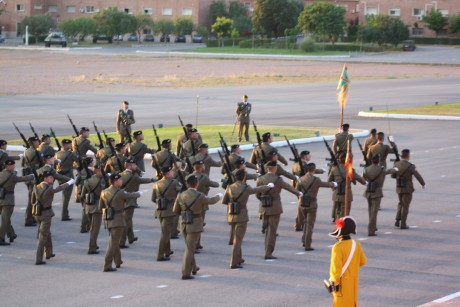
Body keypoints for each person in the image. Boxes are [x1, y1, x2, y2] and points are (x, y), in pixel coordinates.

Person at [172, 174, 222, 280]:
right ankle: (186, 273)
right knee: (190, 249)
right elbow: (211, 201)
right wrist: (219, 196)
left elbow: (175, 210)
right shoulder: (199, 195)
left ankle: (193, 268)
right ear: (197, 184)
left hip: (184, 223)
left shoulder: (181, 195)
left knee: (190, 247)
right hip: (195, 224)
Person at [222, 169, 273, 268]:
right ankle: (233, 262)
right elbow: (257, 190)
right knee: (238, 240)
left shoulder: (230, 187)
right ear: (244, 177)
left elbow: (224, 201)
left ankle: (239, 258)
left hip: (231, 215)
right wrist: (268, 187)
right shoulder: (246, 187)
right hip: (242, 215)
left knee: (237, 238)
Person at [256, 161, 301, 260]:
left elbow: (258, 194)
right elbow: (289, 187)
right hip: (275, 207)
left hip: (263, 207)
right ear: (275, 168)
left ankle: (267, 250)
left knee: (267, 230)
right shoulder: (278, 179)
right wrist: (299, 193)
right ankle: (268, 252)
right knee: (272, 231)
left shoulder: (260, 179)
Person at [99, 173, 142, 272]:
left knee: (114, 241)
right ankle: (107, 265)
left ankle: (118, 261)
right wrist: (139, 193)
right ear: (115, 181)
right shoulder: (120, 192)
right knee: (113, 243)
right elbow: (130, 195)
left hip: (108, 218)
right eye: (120, 180)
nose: (121, 181)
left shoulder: (104, 192)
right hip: (117, 220)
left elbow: (101, 207)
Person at [32, 171, 74, 265]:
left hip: (37, 213)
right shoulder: (49, 188)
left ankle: (49, 252)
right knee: (42, 236)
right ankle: (39, 259)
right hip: (46, 214)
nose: (52, 179)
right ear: (45, 178)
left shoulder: (36, 187)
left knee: (47, 232)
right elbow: (59, 188)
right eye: (50, 178)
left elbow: (33, 200)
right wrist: (69, 183)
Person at [327, 216, 367, 307]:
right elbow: (363, 261)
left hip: (342, 287)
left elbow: (335, 271)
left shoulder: (337, 247)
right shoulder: (356, 244)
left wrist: (332, 284)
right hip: (353, 287)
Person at [297, 163, 336, 251]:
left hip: (302, 204)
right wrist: (333, 184)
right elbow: (324, 184)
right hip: (312, 204)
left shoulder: (301, 179)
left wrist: (301, 200)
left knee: (305, 223)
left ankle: (304, 239)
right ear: (314, 170)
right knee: (309, 225)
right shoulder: (316, 180)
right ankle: (307, 245)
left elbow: (297, 191)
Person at [119, 158, 155, 248]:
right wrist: (153, 179)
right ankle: (121, 242)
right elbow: (143, 180)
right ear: (130, 166)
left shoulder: (120, 175)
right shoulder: (133, 176)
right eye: (135, 165)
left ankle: (131, 237)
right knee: (126, 221)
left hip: (121, 200)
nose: (136, 166)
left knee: (128, 220)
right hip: (130, 201)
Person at [152, 166, 182, 261]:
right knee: (165, 234)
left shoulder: (156, 184)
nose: (173, 173)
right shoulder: (174, 183)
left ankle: (167, 250)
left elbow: (153, 198)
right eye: (171, 171)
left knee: (165, 231)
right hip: (170, 211)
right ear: (168, 173)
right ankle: (160, 255)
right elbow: (181, 191)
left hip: (160, 210)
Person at [0, 160, 34, 245]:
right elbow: (23, 178)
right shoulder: (12, 176)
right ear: (8, 167)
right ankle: (1, 239)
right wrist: (33, 175)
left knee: (6, 219)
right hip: (8, 200)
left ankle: (11, 234)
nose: (14, 167)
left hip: (1, 198)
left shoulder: (1, 174)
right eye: (12, 166)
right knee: (5, 220)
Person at [363, 155, 398, 236]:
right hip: (377, 191)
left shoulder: (366, 169)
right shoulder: (381, 169)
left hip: (368, 191)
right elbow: (387, 171)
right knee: (374, 212)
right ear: (378, 161)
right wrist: (395, 169)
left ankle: (373, 226)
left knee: (370, 210)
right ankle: (371, 230)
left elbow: (364, 178)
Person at [292, 150, 326, 231]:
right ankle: (299, 224)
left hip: (298, 185)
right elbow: (309, 171)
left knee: (302, 205)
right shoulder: (303, 164)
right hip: (304, 186)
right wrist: (321, 171)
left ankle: (299, 224)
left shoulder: (295, 164)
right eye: (309, 155)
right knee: (303, 206)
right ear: (305, 156)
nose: (310, 156)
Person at [328, 151, 366, 220]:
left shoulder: (334, 168)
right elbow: (359, 178)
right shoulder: (349, 169)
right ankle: (342, 227)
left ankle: (338, 225)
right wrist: (365, 183)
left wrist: (334, 189)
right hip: (346, 194)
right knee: (345, 213)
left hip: (336, 193)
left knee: (338, 212)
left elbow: (329, 181)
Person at [393, 149, 425, 229]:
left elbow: (392, 175)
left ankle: (397, 220)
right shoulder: (411, 166)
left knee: (400, 203)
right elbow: (417, 175)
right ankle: (403, 224)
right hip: (407, 188)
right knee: (405, 206)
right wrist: (423, 183)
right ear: (408, 156)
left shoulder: (396, 164)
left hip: (399, 187)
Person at [80, 163, 107, 254]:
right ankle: (92, 248)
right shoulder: (103, 181)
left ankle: (94, 244)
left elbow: (82, 195)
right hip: (97, 207)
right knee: (94, 229)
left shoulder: (88, 181)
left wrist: (84, 205)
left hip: (88, 206)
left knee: (92, 227)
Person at [55, 139, 79, 221]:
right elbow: (79, 162)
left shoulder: (57, 154)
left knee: (64, 195)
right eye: (69, 144)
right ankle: (64, 215)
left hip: (60, 176)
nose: (70, 146)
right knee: (66, 197)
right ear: (65, 145)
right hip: (68, 177)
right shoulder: (71, 154)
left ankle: (65, 214)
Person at [23, 136, 43, 226]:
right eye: (37, 141)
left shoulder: (26, 151)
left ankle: (31, 217)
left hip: (28, 176)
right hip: (34, 177)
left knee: (33, 198)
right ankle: (29, 219)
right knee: (32, 199)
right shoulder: (36, 153)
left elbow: (23, 165)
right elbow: (40, 165)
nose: (38, 142)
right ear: (33, 143)